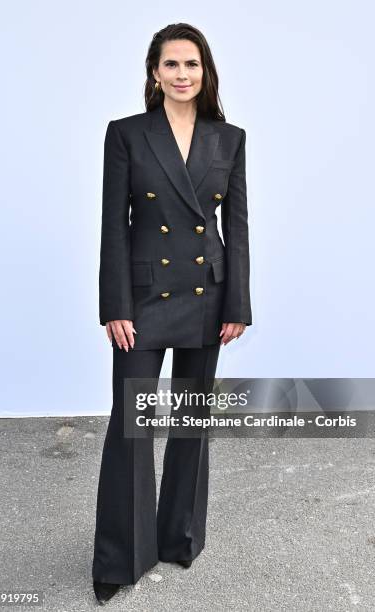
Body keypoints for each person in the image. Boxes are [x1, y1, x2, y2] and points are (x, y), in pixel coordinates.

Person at [92, 22, 252, 605]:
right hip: (144, 297)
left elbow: (235, 227)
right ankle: (119, 558)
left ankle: (179, 536)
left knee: (190, 423)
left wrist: (238, 303)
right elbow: (115, 226)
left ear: (204, 72)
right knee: (131, 427)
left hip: (208, 297)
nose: (182, 74)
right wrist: (115, 305)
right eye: (171, 65)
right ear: (153, 73)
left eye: (192, 64)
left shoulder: (228, 139)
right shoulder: (127, 135)